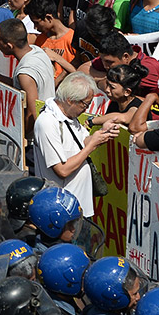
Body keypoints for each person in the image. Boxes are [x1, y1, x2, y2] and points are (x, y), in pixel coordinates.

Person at [33, 72, 118, 216]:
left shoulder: (70, 116)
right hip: (61, 212)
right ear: (70, 100)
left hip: (78, 208)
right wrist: (92, 146)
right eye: (85, 104)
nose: (86, 109)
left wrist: (103, 134)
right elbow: (62, 170)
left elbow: (82, 142)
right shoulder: (47, 122)